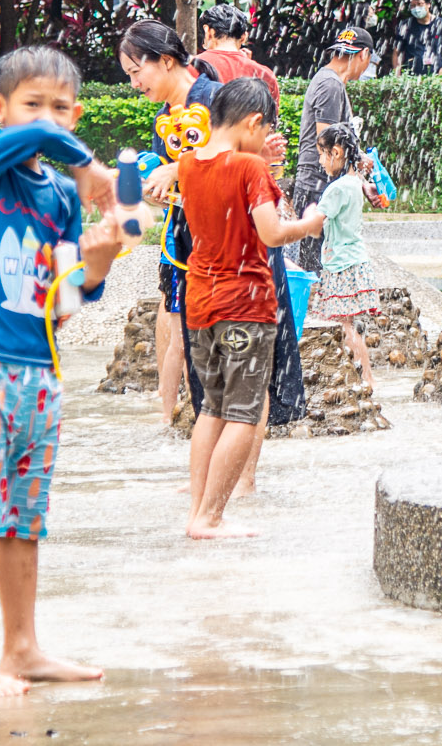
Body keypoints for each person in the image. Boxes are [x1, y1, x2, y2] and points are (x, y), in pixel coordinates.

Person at [0, 44, 128, 697]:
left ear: (79, 111)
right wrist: (93, 164)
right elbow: (44, 136)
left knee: (23, 518)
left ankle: (20, 648)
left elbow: (59, 306)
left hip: (39, 374)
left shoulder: (61, 202)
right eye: (32, 102)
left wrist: (97, 265)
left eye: (62, 106)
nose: (48, 117)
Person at [179, 78, 324, 540]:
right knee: (244, 411)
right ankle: (211, 518)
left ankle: (197, 510)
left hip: (200, 301)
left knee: (212, 409)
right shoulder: (248, 168)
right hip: (244, 303)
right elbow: (271, 234)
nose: (265, 143)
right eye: (265, 133)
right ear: (252, 122)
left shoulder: (188, 163)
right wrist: (311, 223)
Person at [121, 19, 221, 423]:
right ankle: (174, 416)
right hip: (181, 236)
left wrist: (177, 169)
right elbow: (172, 179)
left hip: (218, 240)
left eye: (135, 72)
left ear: (164, 61)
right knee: (177, 316)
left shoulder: (214, 98)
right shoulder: (163, 117)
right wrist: (155, 186)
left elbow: (232, 156)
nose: (133, 84)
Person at [292, 25, 372, 270]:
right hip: (317, 186)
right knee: (315, 267)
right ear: (364, 55)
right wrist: (358, 160)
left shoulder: (329, 81)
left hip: (317, 185)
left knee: (317, 264)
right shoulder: (331, 85)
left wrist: (360, 180)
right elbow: (327, 143)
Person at [308, 123, 379, 390]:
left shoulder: (336, 189)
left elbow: (315, 224)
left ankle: (365, 379)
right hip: (354, 261)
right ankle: (359, 377)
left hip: (342, 265)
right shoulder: (354, 183)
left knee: (345, 326)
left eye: (322, 154)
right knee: (346, 324)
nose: (320, 161)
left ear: (336, 153)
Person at [195, 3, 280, 103]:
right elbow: (270, 117)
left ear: (208, 31)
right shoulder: (265, 75)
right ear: (244, 37)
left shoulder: (191, 67)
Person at [390, 0, 442, 75]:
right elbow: (397, 52)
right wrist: (397, 74)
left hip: (436, 78)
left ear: (428, 4)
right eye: (413, 5)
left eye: (420, 4)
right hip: (411, 78)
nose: (416, 8)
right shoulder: (406, 26)